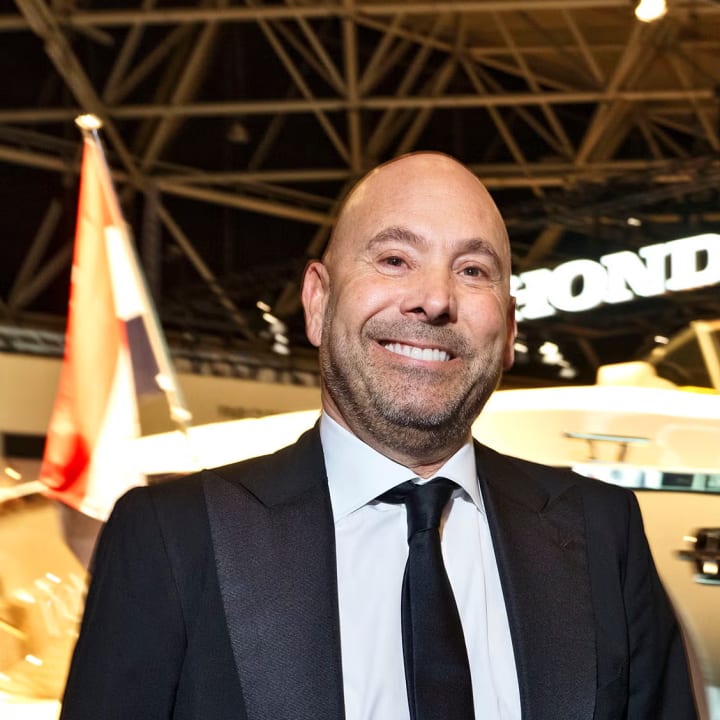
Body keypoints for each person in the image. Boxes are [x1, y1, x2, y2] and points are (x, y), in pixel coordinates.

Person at [59, 152, 698, 720]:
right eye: (394, 260)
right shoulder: (172, 538)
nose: (435, 299)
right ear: (317, 302)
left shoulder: (601, 530)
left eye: (473, 270)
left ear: (508, 331)